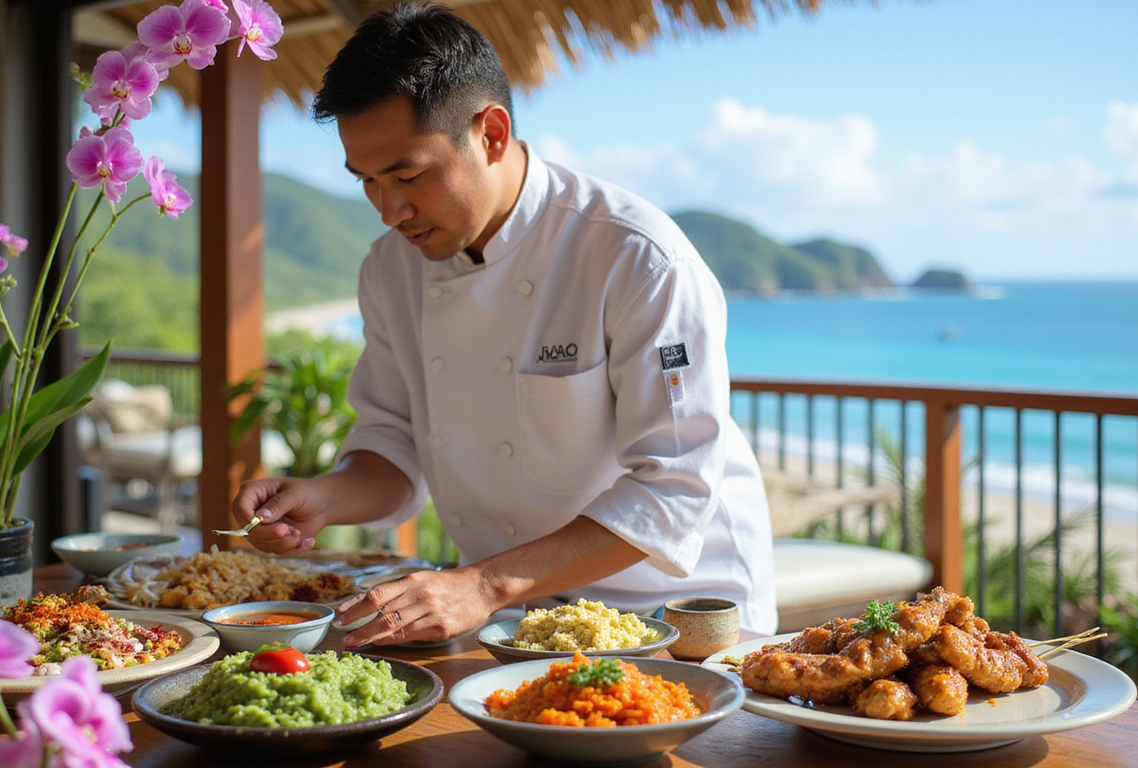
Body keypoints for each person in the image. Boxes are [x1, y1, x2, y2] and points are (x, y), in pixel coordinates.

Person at [233, 1, 778, 645]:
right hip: (512, 620)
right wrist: (324, 498)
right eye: (368, 181)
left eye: (407, 174)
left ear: (491, 133)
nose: (389, 210)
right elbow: (393, 445)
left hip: (677, 615)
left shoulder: (634, 255)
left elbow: (676, 486)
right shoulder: (390, 270)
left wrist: (485, 584)